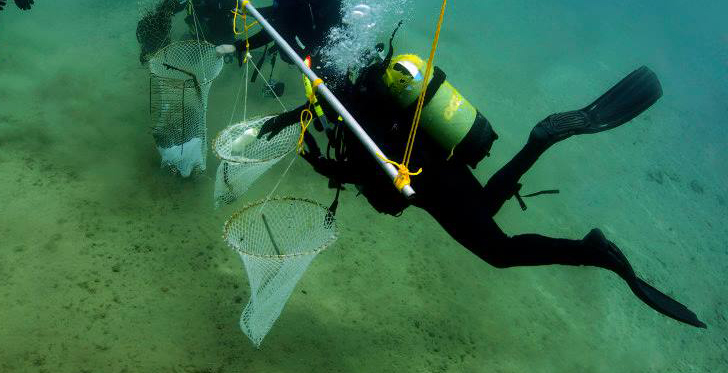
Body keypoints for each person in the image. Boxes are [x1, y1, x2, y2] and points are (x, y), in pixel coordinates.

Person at [258, 46, 706, 328]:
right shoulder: (370, 94)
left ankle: (592, 249)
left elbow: (368, 168)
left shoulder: (352, 118)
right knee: (487, 208)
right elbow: (326, 113)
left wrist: (323, 168)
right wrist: (286, 119)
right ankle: (538, 144)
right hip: (443, 166)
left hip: (430, 186)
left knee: (500, 252)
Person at [216, 0, 344, 84]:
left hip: (320, 50)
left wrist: (235, 47)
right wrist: (249, 11)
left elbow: (270, 33)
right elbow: (277, 11)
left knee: (328, 87)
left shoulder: (290, 2)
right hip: (332, 38)